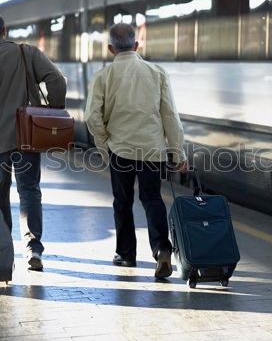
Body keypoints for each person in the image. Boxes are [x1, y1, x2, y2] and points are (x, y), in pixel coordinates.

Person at [85, 23, 188, 279]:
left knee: (122, 202)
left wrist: (104, 143)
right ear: (136, 45)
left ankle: (126, 255)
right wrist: (178, 153)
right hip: (152, 150)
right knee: (152, 199)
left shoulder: (102, 76)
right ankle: (162, 249)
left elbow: (91, 117)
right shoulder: (157, 73)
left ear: (110, 48)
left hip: (120, 149)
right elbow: (170, 116)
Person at [0, 16, 66, 271]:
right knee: (29, 191)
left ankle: (5, 253)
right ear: (5, 30)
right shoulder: (24, 52)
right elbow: (56, 80)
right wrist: (54, 110)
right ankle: (33, 249)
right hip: (26, 138)